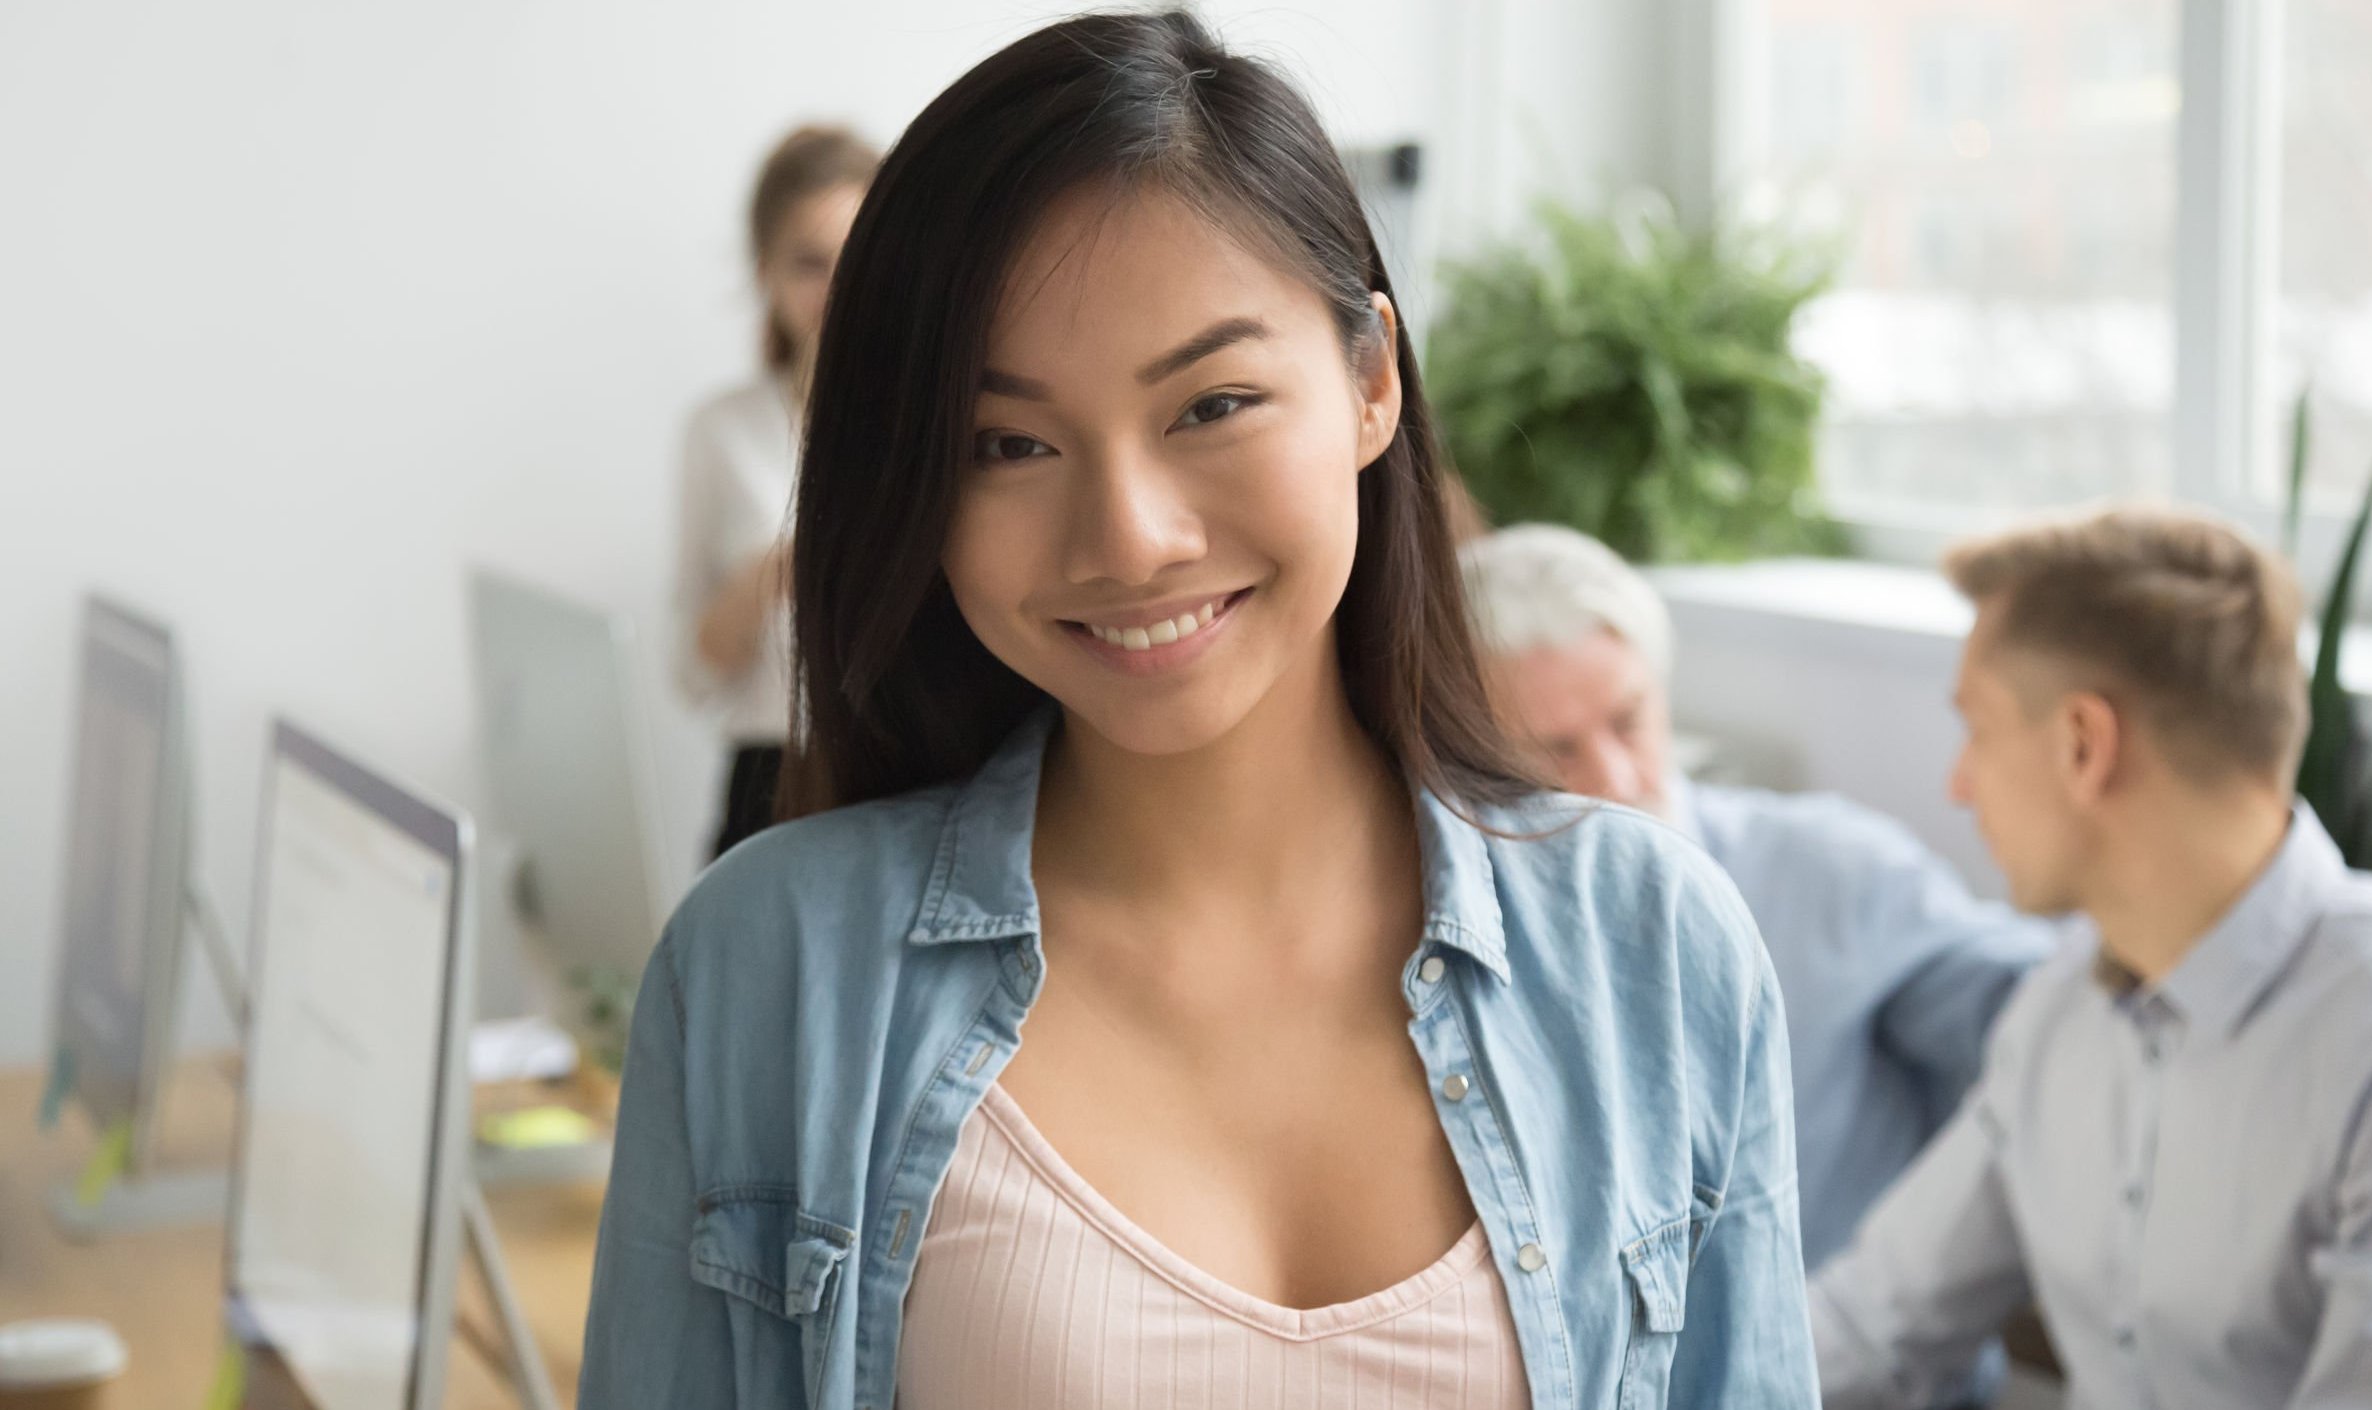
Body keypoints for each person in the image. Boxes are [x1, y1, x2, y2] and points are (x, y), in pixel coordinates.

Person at [581, 12, 1817, 1408]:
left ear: (1369, 382)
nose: (1128, 536)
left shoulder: (1653, 947)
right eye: (1008, 443)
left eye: (1212, 403)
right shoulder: (769, 966)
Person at [1812, 508, 2372, 1408]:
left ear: (2083, 746)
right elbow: (1878, 1325)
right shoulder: (2060, 1005)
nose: (1959, 783)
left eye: (1977, 729)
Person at [1461, 524, 2051, 1272]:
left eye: (1627, 720)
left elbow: (2051, 1013)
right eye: (1553, 750)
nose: (1613, 779)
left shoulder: (1830, 874)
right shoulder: (1462, 954)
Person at [674, 124, 880, 859]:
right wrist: (782, 566)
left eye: (856, 257)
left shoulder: (936, 421)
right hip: (770, 779)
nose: (837, 288)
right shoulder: (721, 433)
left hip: (903, 778)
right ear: (764, 273)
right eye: (809, 264)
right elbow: (693, 670)